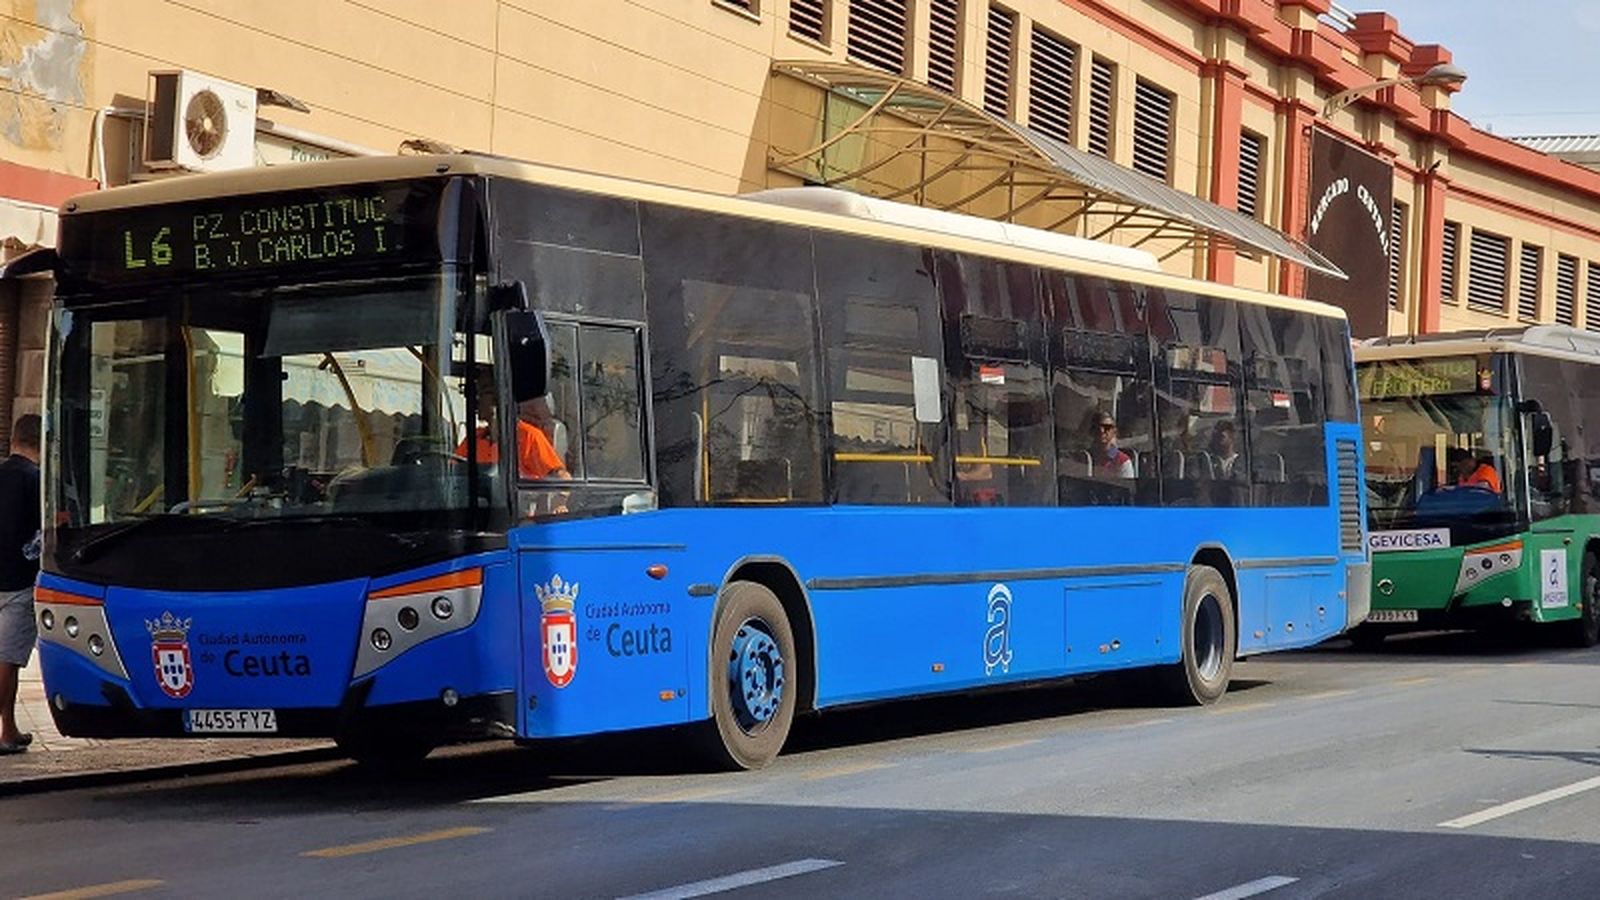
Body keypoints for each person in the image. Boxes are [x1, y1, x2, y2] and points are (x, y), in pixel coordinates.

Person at [0, 415, 42, 755]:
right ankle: (5, 732)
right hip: (19, 582)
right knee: (8, 659)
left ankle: (10, 729)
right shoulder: (35, 480)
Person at [457, 374, 570, 481]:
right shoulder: (473, 439)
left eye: (483, 392)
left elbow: (561, 479)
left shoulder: (527, 436)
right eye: (476, 392)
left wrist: (544, 501)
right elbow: (452, 472)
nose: (476, 399)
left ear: (500, 397)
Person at [1090, 411, 1135, 479]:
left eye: (1107, 427)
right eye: (1097, 427)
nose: (1101, 431)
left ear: (1114, 431)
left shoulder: (1123, 462)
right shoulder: (1084, 458)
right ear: (1092, 431)